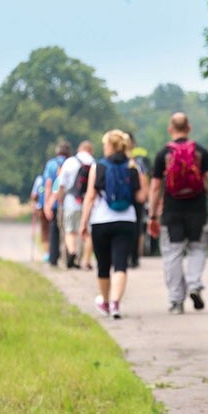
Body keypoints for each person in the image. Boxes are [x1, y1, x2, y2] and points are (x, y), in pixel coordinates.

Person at [147, 112, 208, 315]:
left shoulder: (163, 154)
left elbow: (155, 188)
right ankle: (194, 285)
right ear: (188, 128)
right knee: (197, 249)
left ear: (170, 129)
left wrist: (152, 216)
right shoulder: (201, 152)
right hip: (197, 210)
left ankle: (176, 301)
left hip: (171, 212)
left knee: (172, 254)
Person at [79, 129, 147, 319]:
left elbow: (91, 196)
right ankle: (116, 303)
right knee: (120, 264)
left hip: (101, 221)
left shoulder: (98, 166)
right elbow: (141, 196)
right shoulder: (133, 166)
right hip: (126, 221)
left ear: (109, 145)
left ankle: (106, 303)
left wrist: (83, 223)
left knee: (103, 265)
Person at [48, 140, 95, 269]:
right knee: (87, 232)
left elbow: (61, 184)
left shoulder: (70, 162)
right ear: (91, 151)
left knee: (70, 230)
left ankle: (72, 252)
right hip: (88, 202)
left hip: (71, 201)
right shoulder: (94, 163)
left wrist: (60, 199)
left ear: (79, 149)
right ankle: (86, 260)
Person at [43, 141, 71, 266]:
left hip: (54, 203)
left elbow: (48, 185)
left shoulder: (51, 164)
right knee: (68, 231)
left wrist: (46, 203)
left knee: (54, 230)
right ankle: (68, 257)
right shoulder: (71, 163)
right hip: (69, 202)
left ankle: (53, 258)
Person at [128, 132, 151, 268]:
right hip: (136, 199)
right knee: (136, 229)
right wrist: (145, 196)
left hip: (123, 199)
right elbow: (144, 178)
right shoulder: (138, 160)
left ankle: (125, 256)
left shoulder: (114, 158)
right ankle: (134, 257)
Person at [29, 172, 49, 261]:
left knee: (44, 230)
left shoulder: (40, 179)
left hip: (42, 208)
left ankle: (47, 253)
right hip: (54, 208)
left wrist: (34, 204)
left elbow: (34, 195)